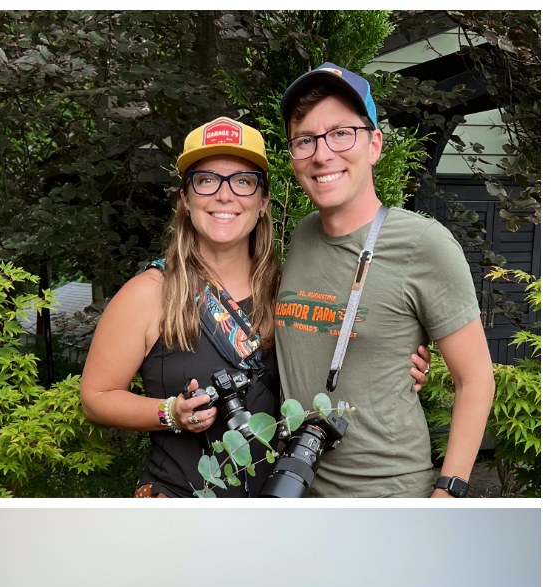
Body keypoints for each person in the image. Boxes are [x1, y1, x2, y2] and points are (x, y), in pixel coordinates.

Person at [80, 116, 430, 497]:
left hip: (278, 511)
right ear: (185, 197)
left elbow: (341, 356)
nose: (224, 195)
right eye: (207, 179)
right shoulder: (149, 293)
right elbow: (96, 398)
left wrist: (396, 363)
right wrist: (170, 413)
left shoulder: (288, 291)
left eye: (243, 181)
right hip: (181, 510)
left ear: (263, 201)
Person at [275, 64, 495, 497]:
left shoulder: (423, 243)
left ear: (374, 144)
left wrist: (448, 493)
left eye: (341, 133)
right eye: (305, 140)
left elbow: (476, 379)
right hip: (297, 490)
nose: (322, 154)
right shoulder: (300, 235)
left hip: (386, 494)